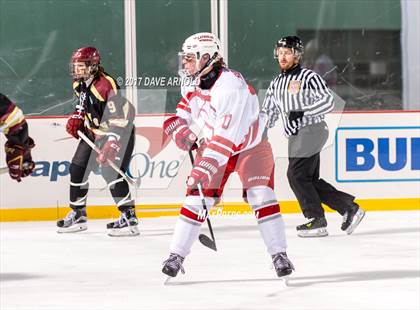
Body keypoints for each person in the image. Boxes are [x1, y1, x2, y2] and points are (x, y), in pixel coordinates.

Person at [161, 32, 294, 278]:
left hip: (250, 147)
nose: (185, 63)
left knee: (261, 196)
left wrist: (204, 167)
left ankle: (279, 254)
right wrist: (178, 125)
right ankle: (176, 255)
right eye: (185, 58)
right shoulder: (193, 79)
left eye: (190, 58)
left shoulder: (231, 87)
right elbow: (186, 107)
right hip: (216, 145)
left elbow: (227, 138)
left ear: (208, 57)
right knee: (195, 200)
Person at [262, 36, 365, 237]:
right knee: (308, 179)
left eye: (288, 52)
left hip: (312, 130)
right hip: (295, 136)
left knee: (296, 175)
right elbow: (269, 111)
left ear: (297, 55)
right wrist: (258, 129)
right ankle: (349, 208)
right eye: (280, 53)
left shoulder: (309, 77)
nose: (282, 57)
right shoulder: (276, 83)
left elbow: (328, 101)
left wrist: (302, 111)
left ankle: (316, 219)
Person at [56, 47, 138, 236]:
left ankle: (129, 217)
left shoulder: (105, 85)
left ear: (93, 66)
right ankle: (78, 214)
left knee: (111, 172)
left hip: (119, 132)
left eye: (81, 66)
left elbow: (118, 115)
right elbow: (84, 104)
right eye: (75, 66)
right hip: (95, 132)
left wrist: (112, 141)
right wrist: (77, 117)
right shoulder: (79, 84)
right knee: (77, 169)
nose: (77, 70)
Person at [0, 93, 35, 182]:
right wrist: (15, 171)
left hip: (10, 116)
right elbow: (16, 151)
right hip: (8, 117)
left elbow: (17, 149)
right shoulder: (20, 143)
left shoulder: (21, 143)